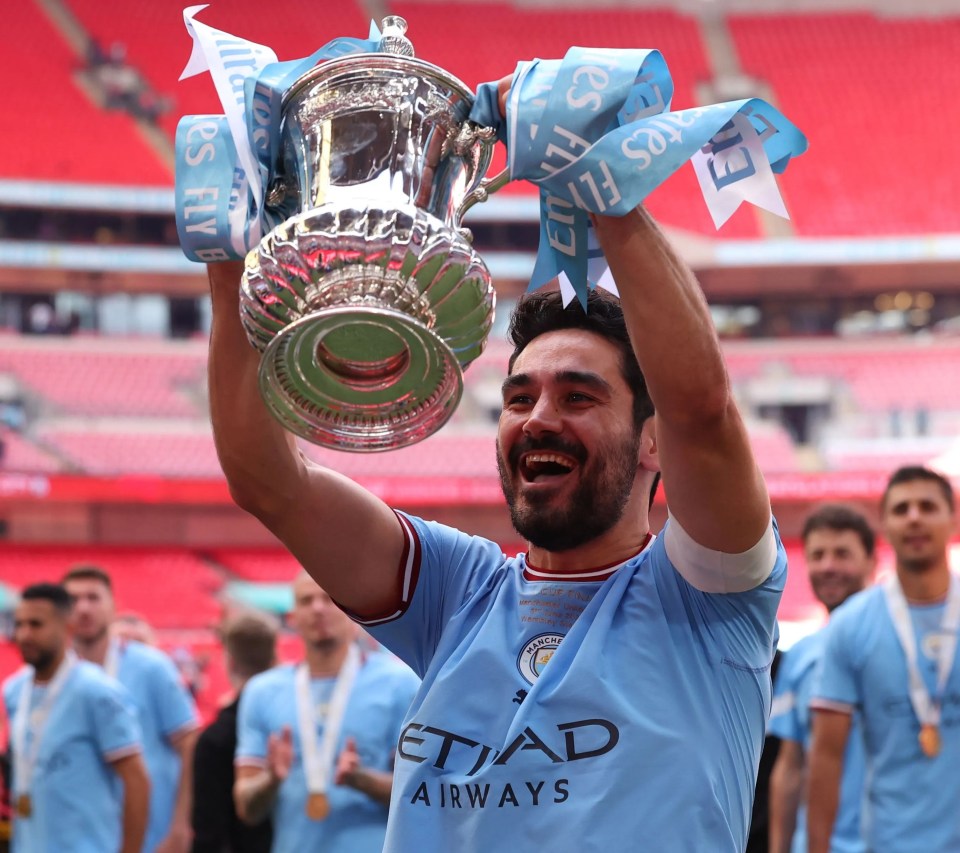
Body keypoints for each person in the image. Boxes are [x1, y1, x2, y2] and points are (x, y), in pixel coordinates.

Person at [206, 81, 785, 853]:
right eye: (519, 396)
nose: (539, 416)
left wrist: (602, 190)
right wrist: (232, 263)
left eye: (580, 396)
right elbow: (266, 479)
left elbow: (702, 410)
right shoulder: (457, 593)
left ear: (653, 444)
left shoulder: (708, 597)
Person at [808, 466, 960, 853]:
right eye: (901, 508)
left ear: (952, 516)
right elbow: (825, 757)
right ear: (885, 524)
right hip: (891, 842)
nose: (914, 517)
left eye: (927, 506)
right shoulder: (851, 625)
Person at [233, 572, 420, 852]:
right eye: (306, 601)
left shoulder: (400, 684)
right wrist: (270, 779)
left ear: (353, 614)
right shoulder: (262, 692)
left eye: (329, 598)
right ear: (293, 618)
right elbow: (246, 808)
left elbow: (421, 795)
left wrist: (362, 780)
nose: (318, 608)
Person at [3, 582, 150, 852]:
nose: (24, 634)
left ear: (67, 627)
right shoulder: (13, 691)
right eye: (20, 624)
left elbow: (136, 779)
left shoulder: (96, 692)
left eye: (36, 625)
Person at [62, 566, 199, 853]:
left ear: (114, 607)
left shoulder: (152, 667)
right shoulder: (56, 679)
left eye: (93, 598)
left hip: (153, 837)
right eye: (74, 599)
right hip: (82, 837)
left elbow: (189, 744)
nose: (84, 608)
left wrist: (180, 827)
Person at [768, 505, 876, 853]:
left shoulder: (902, 643)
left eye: (842, 554)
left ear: (872, 563)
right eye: (818, 555)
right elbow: (790, 765)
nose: (828, 566)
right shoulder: (799, 656)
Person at [191, 611, 278, 853]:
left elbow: (207, 831)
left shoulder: (213, 739)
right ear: (275, 658)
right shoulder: (291, 726)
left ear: (229, 661)